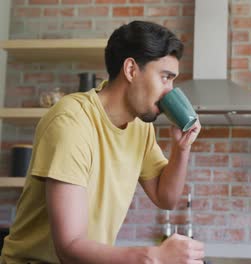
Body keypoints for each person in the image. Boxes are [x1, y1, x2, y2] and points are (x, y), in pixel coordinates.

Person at [1, 21, 205, 263]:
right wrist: (154, 257)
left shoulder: (140, 127)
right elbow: (69, 246)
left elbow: (166, 198)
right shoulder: (72, 122)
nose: (169, 92)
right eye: (165, 77)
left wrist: (182, 148)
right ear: (130, 70)